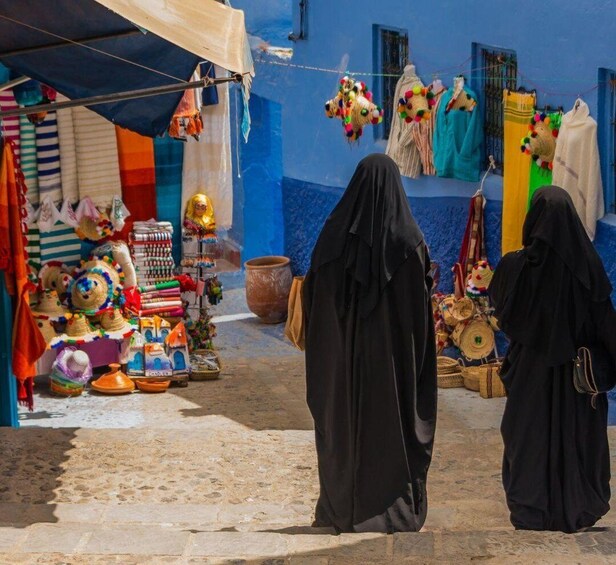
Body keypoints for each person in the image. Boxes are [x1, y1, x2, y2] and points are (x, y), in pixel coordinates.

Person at [303, 153, 437, 534]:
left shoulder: (331, 239)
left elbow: (314, 304)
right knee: (389, 434)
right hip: (392, 373)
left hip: (341, 369)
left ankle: (341, 507)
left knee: (342, 430)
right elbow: (419, 324)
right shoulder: (409, 245)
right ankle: (390, 509)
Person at [489, 186, 616, 533]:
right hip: (577, 381)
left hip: (529, 377)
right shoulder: (589, 271)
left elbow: (500, 309)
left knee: (527, 437)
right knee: (578, 441)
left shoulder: (515, 267)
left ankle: (531, 510)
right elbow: (607, 326)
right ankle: (577, 508)